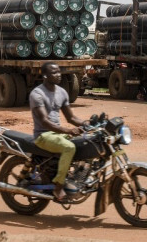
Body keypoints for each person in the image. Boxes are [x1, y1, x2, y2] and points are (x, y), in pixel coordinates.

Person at [30, 62, 88, 200]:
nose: (58, 75)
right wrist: (68, 131)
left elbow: (71, 117)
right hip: (43, 135)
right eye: (54, 72)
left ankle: (75, 178)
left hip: (57, 133)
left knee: (85, 143)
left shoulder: (62, 92)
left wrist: (88, 123)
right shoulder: (37, 94)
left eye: (59, 72)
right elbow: (44, 121)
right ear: (44, 75)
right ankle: (58, 185)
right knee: (69, 147)